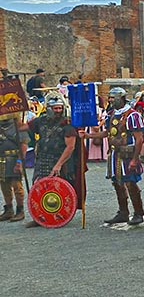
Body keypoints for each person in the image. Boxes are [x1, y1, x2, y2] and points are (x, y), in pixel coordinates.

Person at [82, 87, 144, 225]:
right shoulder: (111, 114)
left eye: (113, 98)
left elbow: (139, 138)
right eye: (109, 97)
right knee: (117, 183)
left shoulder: (132, 115)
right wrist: (89, 136)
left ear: (121, 98)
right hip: (114, 154)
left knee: (130, 183)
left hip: (128, 154)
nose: (110, 100)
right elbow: (107, 133)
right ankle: (123, 212)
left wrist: (135, 159)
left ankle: (138, 213)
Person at [25, 92, 81, 227]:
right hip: (42, 159)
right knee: (39, 189)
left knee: (59, 191)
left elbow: (70, 147)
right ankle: (39, 217)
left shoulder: (67, 124)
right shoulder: (40, 121)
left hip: (61, 161)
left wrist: (58, 165)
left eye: (60, 108)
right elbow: (23, 127)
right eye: (55, 108)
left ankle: (59, 217)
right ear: (48, 108)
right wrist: (12, 117)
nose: (58, 111)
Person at [0, 111, 29, 222]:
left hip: (14, 159)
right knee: (4, 185)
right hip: (1, 159)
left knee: (16, 185)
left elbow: (24, 145)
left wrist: (19, 162)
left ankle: (20, 210)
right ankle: (9, 210)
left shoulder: (18, 126)